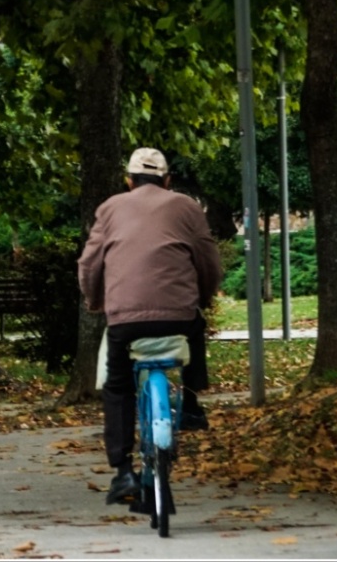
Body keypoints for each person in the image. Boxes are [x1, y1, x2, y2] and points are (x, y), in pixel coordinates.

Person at [77, 147, 223, 506]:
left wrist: (95, 301)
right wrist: (203, 298)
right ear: (167, 180)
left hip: (125, 318)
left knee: (118, 386)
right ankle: (191, 405)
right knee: (195, 330)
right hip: (178, 314)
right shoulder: (187, 206)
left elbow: (90, 264)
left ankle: (123, 471)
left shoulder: (110, 208)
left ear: (129, 181)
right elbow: (208, 262)